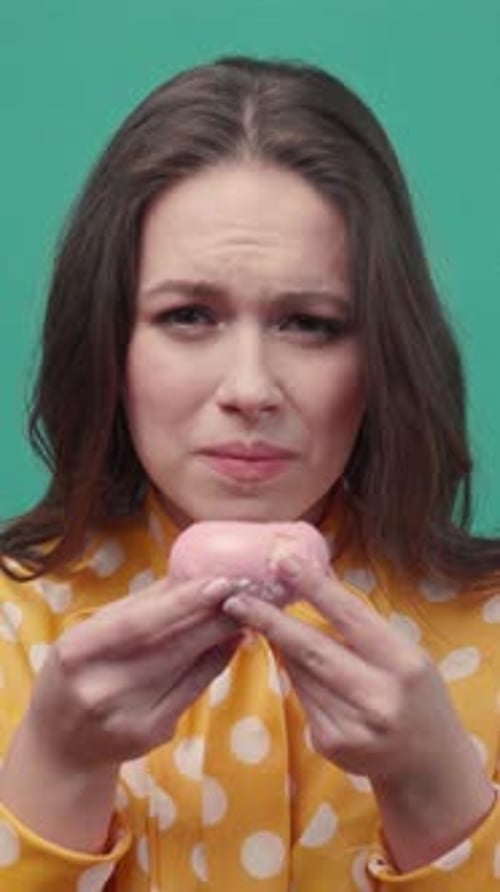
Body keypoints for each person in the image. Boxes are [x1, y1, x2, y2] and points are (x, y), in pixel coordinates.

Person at [0, 55, 499, 892]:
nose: (250, 389)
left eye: (309, 323)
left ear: (383, 353)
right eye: (188, 315)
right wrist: (58, 766)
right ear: (110, 343)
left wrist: (436, 796)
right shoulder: (14, 629)